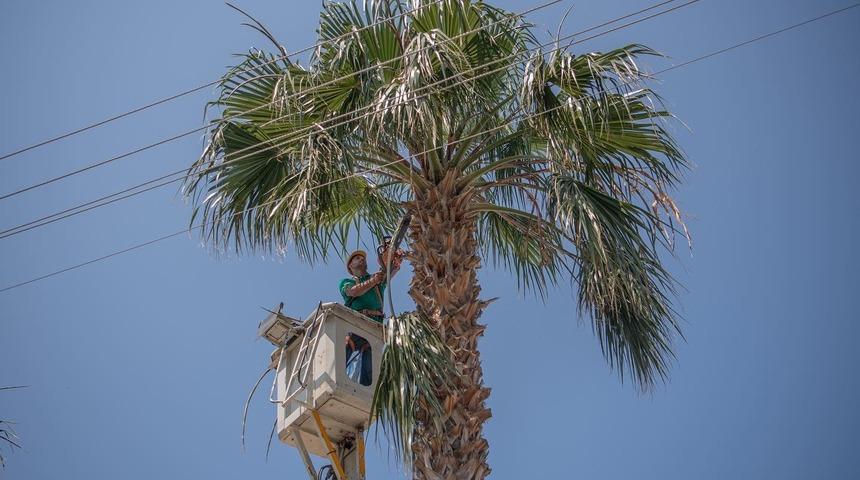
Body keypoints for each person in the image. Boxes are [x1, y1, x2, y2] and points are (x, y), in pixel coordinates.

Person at [340, 249, 401, 385]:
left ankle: (366, 396)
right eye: (356, 258)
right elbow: (352, 292)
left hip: (373, 328)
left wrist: (393, 258)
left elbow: (392, 269)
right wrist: (373, 281)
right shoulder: (347, 282)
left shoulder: (378, 280)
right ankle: (334, 381)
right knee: (343, 352)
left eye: (363, 258)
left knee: (370, 369)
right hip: (356, 325)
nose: (361, 259)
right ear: (350, 266)